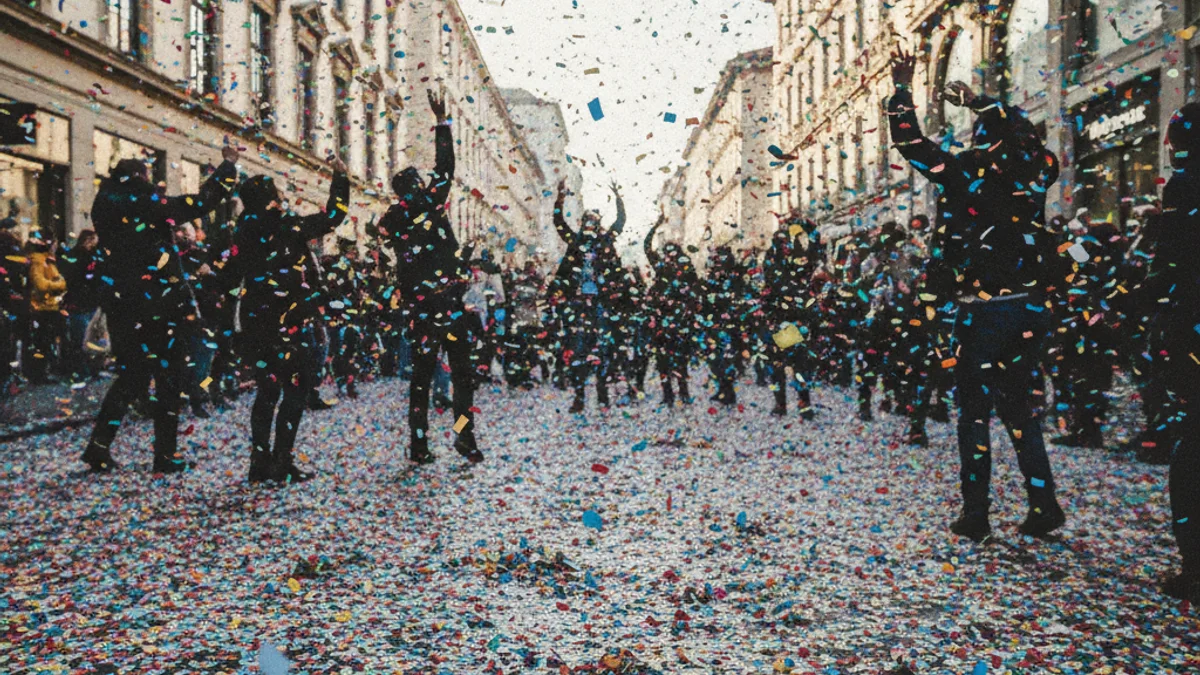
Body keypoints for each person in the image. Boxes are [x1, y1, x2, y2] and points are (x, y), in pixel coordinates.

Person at [889, 48, 1065, 541]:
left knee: (974, 413)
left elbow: (912, 144)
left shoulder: (969, 171)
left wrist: (902, 90)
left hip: (982, 309)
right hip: (1029, 306)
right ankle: (1042, 503)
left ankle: (976, 514)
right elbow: (1023, 133)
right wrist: (981, 102)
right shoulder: (1037, 171)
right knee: (1020, 410)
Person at [82, 147, 239, 473]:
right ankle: (165, 454)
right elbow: (200, 201)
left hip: (122, 303)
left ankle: (98, 445)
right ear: (141, 180)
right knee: (169, 378)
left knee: (130, 377)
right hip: (161, 305)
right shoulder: (147, 206)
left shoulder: (105, 209)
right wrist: (228, 166)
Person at [226, 159, 349, 483]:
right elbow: (333, 217)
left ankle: (259, 460)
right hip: (288, 317)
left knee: (266, 391)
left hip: (255, 317)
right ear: (270, 199)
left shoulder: (243, 229)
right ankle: (282, 460)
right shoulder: (284, 224)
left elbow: (230, 276)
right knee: (294, 390)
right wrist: (340, 178)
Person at [377, 89, 483, 465]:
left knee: (421, 379)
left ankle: (419, 445)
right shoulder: (429, 202)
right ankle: (463, 437)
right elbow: (446, 167)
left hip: (422, 307)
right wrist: (442, 123)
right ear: (418, 187)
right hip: (448, 302)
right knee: (462, 374)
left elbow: (384, 238)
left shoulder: (393, 217)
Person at [1145, 102, 1200, 603]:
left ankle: (1195, 567)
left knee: (1193, 447)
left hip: (1195, 331)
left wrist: (1157, 317)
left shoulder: (1184, 187)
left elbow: (1169, 264)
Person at [549, 178, 626, 412]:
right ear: (583, 225)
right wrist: (560, 198)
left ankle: (602, 394)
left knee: (603, 348)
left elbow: (620, 222)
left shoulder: (605, 242)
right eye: (587, 222)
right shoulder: (575, 242)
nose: (590, 226)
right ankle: (579, 396)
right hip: (578, 303)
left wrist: (618, 198)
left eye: (594, 222)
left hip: (601, 303)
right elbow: (558, 223)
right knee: (577, 349)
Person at [644, 215, 700, 407]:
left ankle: (682, 392)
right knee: (663, 360)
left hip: (680, 322)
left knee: (679, 358)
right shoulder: (661, 271)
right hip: (663, 322)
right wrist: (656, 225)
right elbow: (646, 247)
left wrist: (688, 311)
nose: (669, 259)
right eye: (667, 255)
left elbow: (695, 292)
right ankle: (669, 394)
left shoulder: (685, 272)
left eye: (671, 255)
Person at [59, 229, 103, 382]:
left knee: (92, 339)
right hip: (78, 302)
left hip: (91, 302)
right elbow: (72, 277)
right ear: (87, 240)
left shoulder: (93, 255)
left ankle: (91, 369)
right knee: (79, 339)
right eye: (93, 240)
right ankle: (79, 371)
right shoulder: (75, 255)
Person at [25, 232, 66, 384]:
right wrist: (58, 286)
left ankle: (45, 371)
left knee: (48, 340)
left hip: (51, 306)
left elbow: (59, 279)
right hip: (43, 307)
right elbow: (41, 285)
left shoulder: (49, 260)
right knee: (42, 341)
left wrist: (58, 284)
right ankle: (38, 374)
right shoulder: (38, 261)